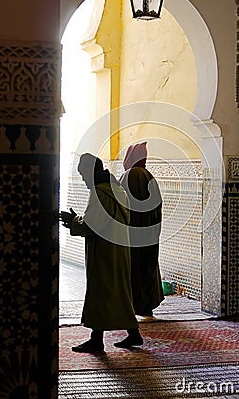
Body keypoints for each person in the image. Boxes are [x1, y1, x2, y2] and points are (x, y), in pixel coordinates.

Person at [60, 153, 143, 351]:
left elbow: (93, 224)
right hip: (119, 248)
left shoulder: (100, 192)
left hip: (105, 251)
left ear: (90, 171)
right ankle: (133, 334)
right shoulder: (115, 188)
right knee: (119, 291)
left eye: (83, 174)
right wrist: (79, 220)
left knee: (101, 290)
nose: (83, 179)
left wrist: (73, 221)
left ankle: (97, 340)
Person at [119, 142, 164, 317]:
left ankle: (133, 306)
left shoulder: (129, 176)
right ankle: (147, 305)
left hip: (132, 234)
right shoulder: (149, 176)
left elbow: (121, 205)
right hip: (150, 234)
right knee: (148, 265)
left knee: (133, 268)